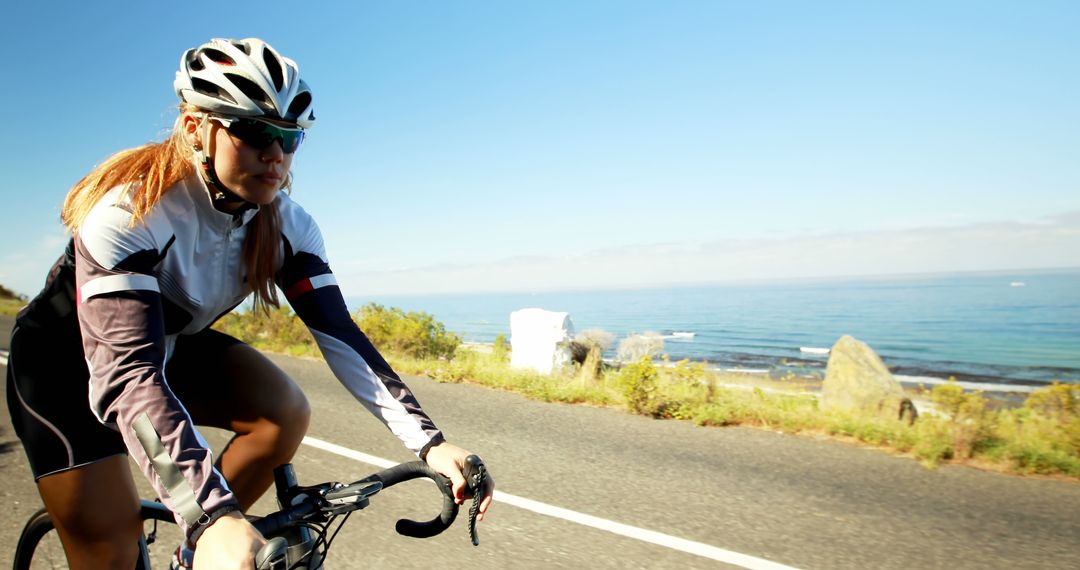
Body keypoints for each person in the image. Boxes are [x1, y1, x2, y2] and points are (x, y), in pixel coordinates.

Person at [5, 37, 494, 569]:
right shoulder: (127, 213)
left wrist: (432, 445)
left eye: (289, 138)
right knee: (114, 553)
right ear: (196, 127)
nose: (275, 154)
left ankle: (196, 554)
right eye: (255, 131)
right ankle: (211, 530)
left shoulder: (289, 227)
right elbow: (130, 379)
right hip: (62, 373)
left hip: (166, 346)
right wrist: (211, 514)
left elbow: (340, 334)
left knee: (284, 411)